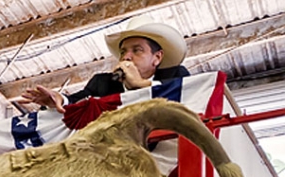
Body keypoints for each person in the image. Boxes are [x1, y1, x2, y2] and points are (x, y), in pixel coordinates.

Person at [21, 16, 189, 112]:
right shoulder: (102, 83)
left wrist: (140, 84)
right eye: (123, 52)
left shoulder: (176, 75)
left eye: (137, 50)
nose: (127, 57)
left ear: (157, 58)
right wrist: (59, 100)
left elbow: (188, 97)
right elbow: (77, 101)